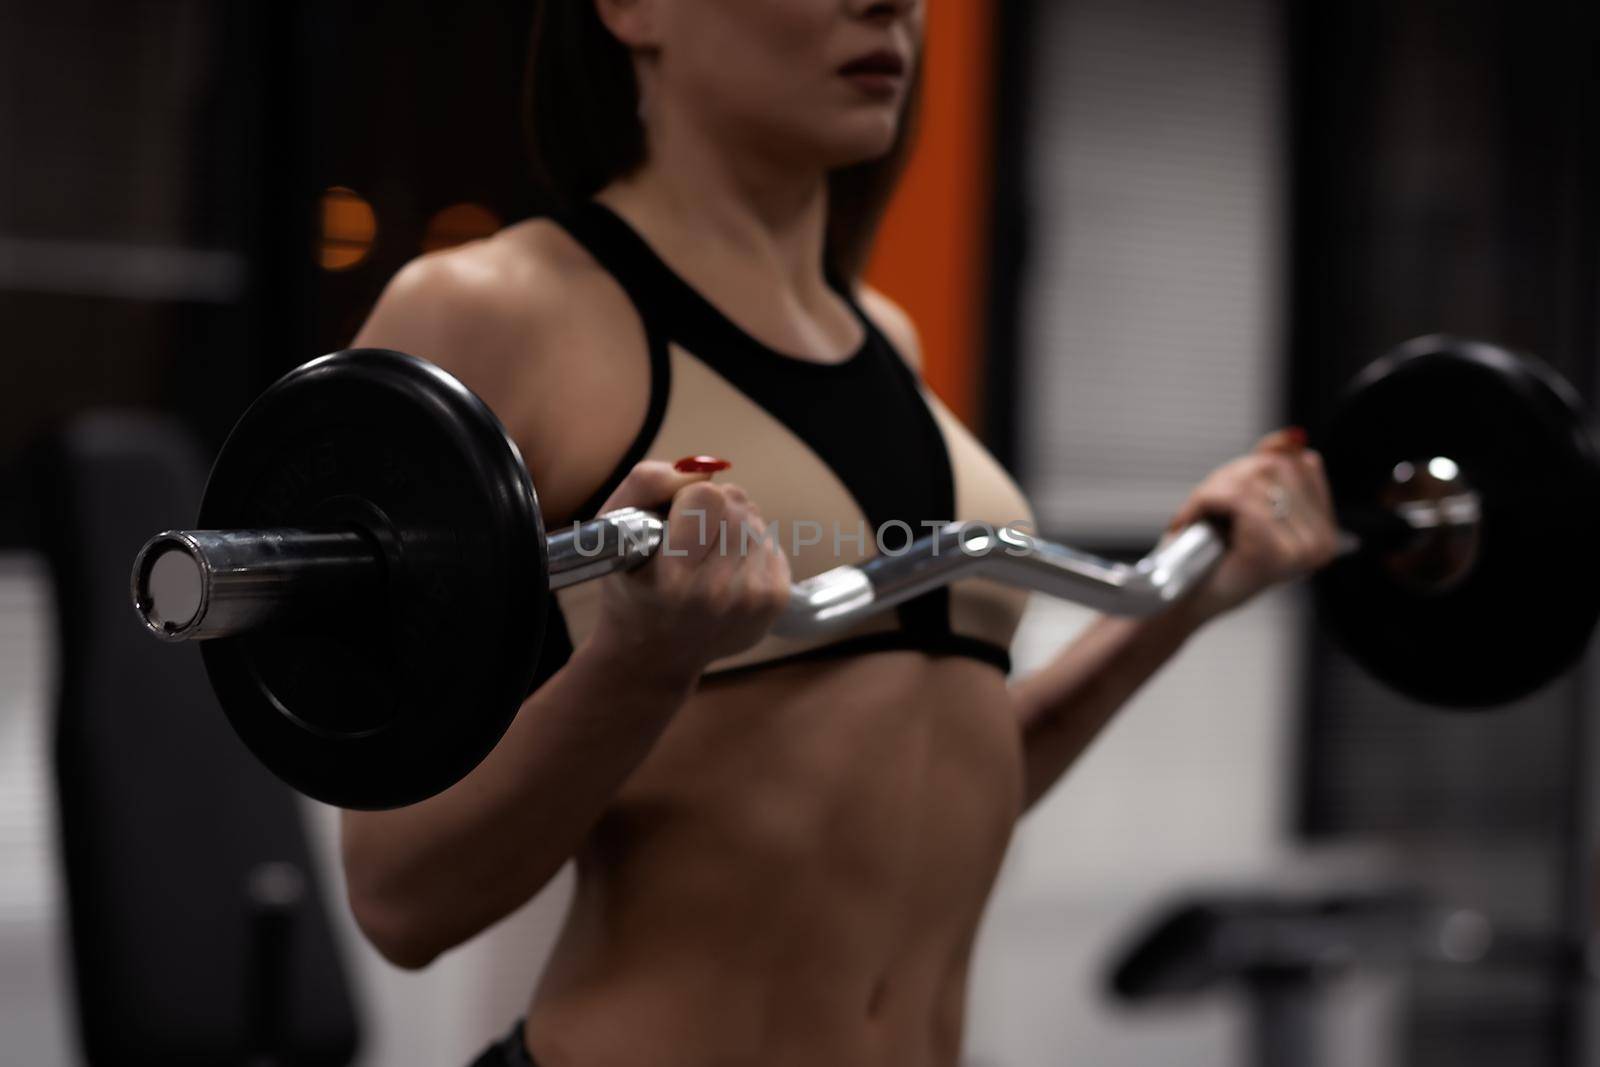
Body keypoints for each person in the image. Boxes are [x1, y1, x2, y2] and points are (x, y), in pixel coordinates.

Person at [341, 1, 1340, 1064]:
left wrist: (1177, 605)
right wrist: (639, 663)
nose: (891, 5)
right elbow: (401, 895)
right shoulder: (494, 310)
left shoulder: (887, 341)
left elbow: (920, 787)